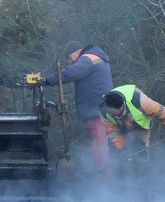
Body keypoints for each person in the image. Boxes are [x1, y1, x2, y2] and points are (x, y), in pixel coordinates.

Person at [26, 41, 113, 172]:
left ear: (77, 51)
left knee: (99, 148)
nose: (71, 61)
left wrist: (45, 81)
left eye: (70, 56)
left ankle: (104, 179)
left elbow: (69, 74)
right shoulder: (96, 58)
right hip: (97, 111)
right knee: (98, 148)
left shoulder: (87, 59)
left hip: (96, 113)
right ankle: (100, 177)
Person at [99, 84, 165, 156]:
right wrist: (121, 148)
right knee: (121, 155)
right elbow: (112, 132)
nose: (116, 116)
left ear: (123, 105)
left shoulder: (138, 100)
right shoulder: (103, 111)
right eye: (113, 115)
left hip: (140, 125)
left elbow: (160, 112)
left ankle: (143, 167)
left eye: (118, 114)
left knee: (141, 151)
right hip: (120, 127)